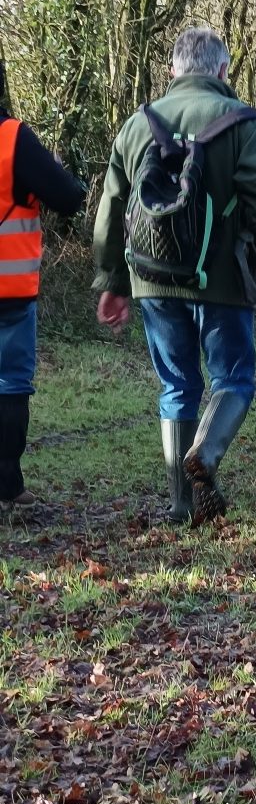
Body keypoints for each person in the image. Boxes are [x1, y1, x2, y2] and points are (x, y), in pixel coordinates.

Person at [93, 27, 256, 524]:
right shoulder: (244, 123)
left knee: (176, 385)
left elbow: (111, 209)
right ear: (223, 70)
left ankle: (182, 504)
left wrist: (113, 282)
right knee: (234, 377)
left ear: (173, 70)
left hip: (152, 279)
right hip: (220, 278)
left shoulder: (136, 125)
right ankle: (204, 452)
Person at [0, 76, 85, 507]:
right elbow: (69, 198)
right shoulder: (12, 138)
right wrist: (48, 170)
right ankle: (7, 486)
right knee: (11, 384)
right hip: (8, 292)